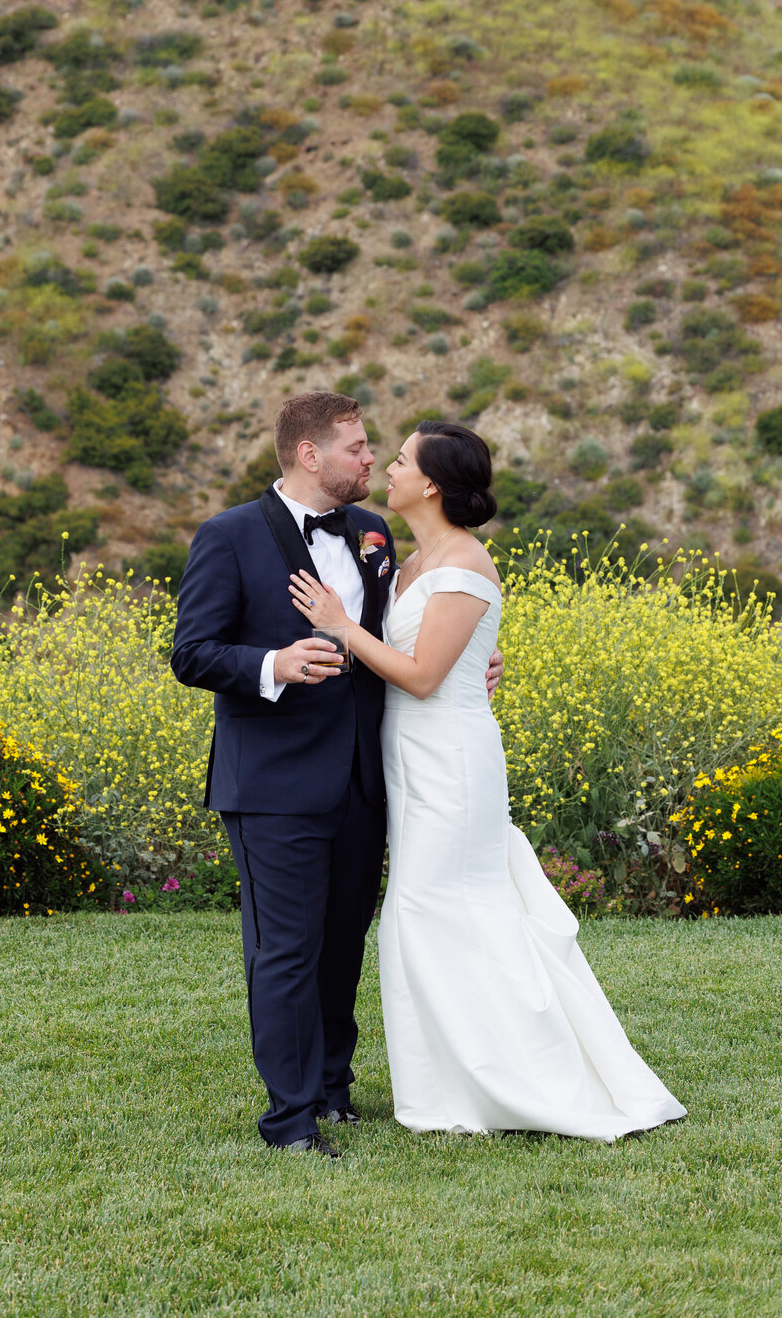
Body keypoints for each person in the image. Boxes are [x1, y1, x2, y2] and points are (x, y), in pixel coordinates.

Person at [289, 420, 687, 1141]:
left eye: (402, 459)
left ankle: (514, 1078)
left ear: (432, 483)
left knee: (447, 909)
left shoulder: (466, 562)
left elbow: (421, 674)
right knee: (427, 915)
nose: (388, 467)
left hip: (451, 762)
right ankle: (455, 1079)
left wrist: (341, 626)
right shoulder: (409, 562)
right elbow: (441, 650)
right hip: (409, 761)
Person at [170, 392, 503, 1158]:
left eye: (374, 449)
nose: (370, 458)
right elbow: (191, 652)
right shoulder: (228, 537)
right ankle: (289, 1120)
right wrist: (274, 664)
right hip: (274, 782)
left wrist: (469, 664)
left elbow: (406, 635)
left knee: (343, 940)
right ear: (310, 455)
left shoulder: (373, 533)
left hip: (365, 775)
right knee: (284, 950)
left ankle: (332, 1085)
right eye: (356, 447)